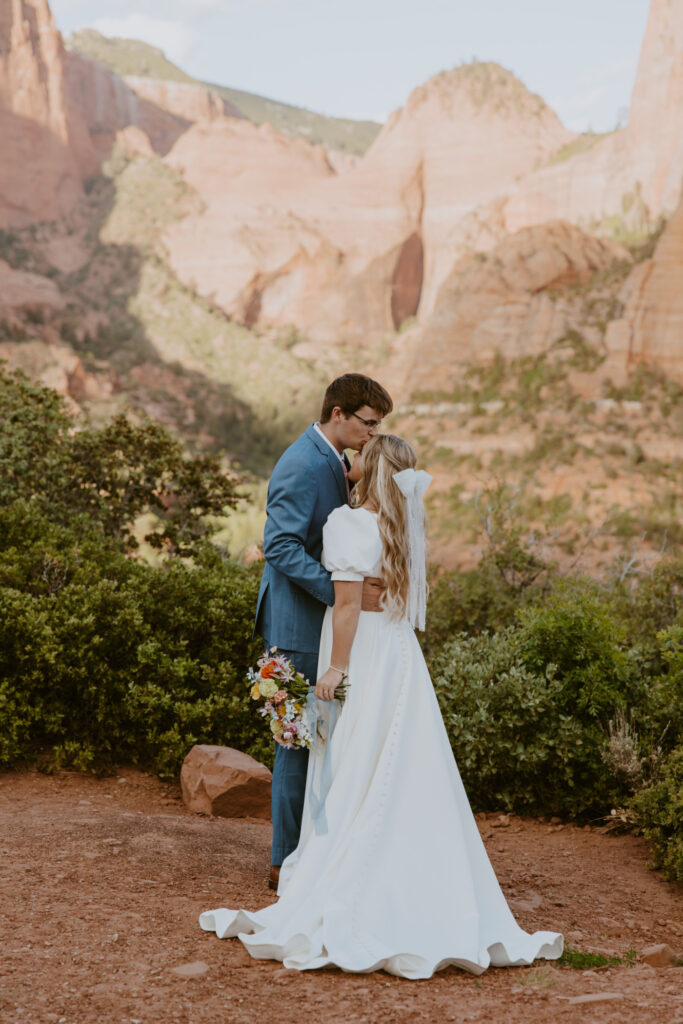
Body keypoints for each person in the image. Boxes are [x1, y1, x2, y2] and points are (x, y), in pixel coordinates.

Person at [200, 434, 564, 979]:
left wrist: (336, 669)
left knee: (353, 760)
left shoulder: (349, 525)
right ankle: (415, 879)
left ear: (371, 470)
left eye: (363, 457)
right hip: (401, 660)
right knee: (403, 765)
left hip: (363, 656)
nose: (353, 460)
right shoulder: (402, 527)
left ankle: (350, 879)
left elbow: (346, 606)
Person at [253, 373, 393, 890]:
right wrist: (342, 593)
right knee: (296, 739)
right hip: (294, 623)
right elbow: (281, 546)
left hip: (319, 623)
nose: (374, 435)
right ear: (339, 414)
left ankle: (316, 850)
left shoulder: (335, 463)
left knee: (325, 737)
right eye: (368, 424)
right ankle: (283, 861)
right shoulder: (302, 463)